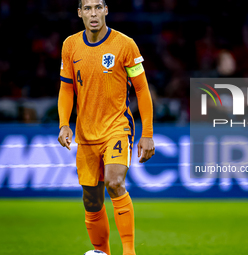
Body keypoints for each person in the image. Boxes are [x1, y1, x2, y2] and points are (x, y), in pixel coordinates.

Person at [57, 0, 155, 254]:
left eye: (98, 7)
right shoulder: (70, 45)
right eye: (87, 8)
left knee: (114, 182)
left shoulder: (125, 44)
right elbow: (67, 88)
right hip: (86, 133)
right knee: (91, 199)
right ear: (79, 13)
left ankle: (129, 251)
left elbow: (142, 90)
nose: (93, 13)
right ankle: (103, 253)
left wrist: (147, 134)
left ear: (106, 10)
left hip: (116, 127)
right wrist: (63, 124)